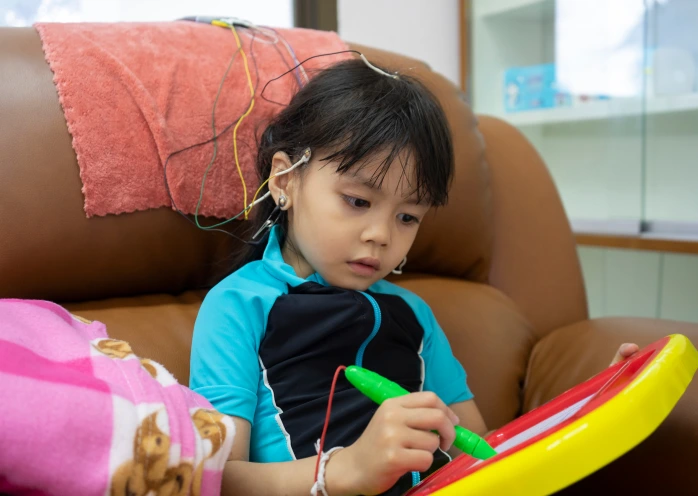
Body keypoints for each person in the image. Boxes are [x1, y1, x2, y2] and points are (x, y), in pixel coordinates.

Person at [190, 58, 638, 496]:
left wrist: (587, 407)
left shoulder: (412, 314)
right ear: (284, 180)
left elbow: (479, 451)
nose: (381, 235)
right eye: (358, 201)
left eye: (408, 216)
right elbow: (217, 479)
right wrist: (342, 471)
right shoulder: (239, 305)